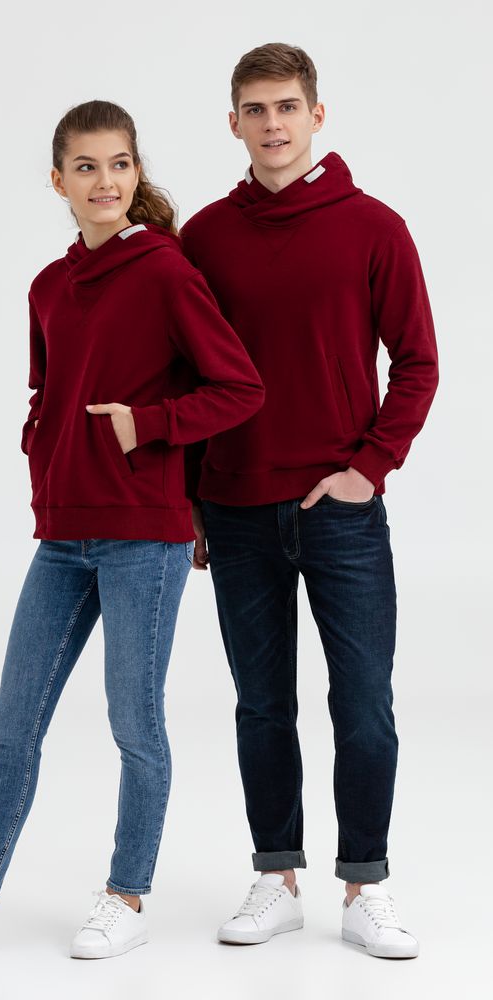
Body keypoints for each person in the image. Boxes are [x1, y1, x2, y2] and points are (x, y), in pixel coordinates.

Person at [0, 99, 264, 962]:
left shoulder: (165, 271)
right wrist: (43, 447)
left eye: (118, 164)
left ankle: (127, 896)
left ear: (136, 171)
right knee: (13, 723)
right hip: (61, 538)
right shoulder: (48, 287)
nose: (104, 181)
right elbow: (45, 391)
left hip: (145, 536)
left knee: (135, 726)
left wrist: (145, 426)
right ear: (59, 180)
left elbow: (239, 388)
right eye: (85, 167)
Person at [180, 43, 438, 960]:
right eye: (255, 109)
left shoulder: (374, 228)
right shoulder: (204, 238)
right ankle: (275, 878)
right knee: (261, 705)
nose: (273, 123)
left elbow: (417, 362)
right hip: (234, 507)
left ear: (316, 115)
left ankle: (365, 884)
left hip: (341, 513)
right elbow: (181, 376)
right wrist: (190, 500)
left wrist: (370, 466)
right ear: (233, 122)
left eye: (287, 106)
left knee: (363, 703)